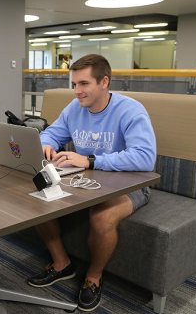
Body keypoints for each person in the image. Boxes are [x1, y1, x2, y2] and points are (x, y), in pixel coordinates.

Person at [27, 54, 156, 311]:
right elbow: (51, 132)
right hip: (85, 181)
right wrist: (46, 144)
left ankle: (93, 277)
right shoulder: (75, 108)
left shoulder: (130, 110)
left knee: (101, 217)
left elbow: (145, 158)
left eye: (84, 84)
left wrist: (91, 160)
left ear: (104, 82)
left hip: (130, 185)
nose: (77, 91)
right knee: (38, 194)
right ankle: (61, 263)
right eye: (74, 84)